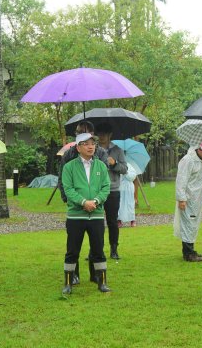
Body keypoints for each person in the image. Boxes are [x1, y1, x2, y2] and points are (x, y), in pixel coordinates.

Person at [58, 120, 108, 285]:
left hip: (96, 212)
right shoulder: (68, 160)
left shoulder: (100, 159)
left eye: (92, 142)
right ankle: (71, 280)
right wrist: (79, 202)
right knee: (73, 250)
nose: (90, 146)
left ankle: (99, 279)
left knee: (98, 248)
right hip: (76, 213)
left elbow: (105, 186)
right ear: (78, 144)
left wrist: (95, 201)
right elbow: (66, 185)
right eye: (85, 143)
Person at [174, 140, 202, 262]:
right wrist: (181, 199)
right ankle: (188, 253)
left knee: (193, 224)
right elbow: (181, 180)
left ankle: (191, 250)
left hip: (197, 198)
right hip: (188, 198)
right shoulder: (188, 160)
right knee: (188, 223)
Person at [95, 122, 128, 259]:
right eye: (99, 134)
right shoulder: (93, 150)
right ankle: (96, 250)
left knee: (112, 222)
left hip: (113, 190)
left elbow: (125, 169)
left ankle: (114, 249)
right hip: (95, 190)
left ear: (110, 135)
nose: (102, 137)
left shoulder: (117, 150)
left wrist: (114, 163)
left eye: (104, 134)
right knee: (96, 222)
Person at [118, 162, 138, 227]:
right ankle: (119, 220)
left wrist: (126, 172)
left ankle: (132, 220)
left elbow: (132, 177)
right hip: (120, 187)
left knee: (130, 203)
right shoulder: (117, 165)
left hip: (129, 188)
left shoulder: (130, 166)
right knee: (119, 203)